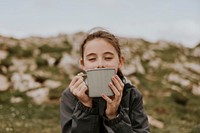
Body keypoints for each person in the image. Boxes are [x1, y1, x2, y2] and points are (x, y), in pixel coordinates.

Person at [60, 28, 150, 133]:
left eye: (108, 58)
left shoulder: (131, 95)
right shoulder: (70, 96)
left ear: (120, 62)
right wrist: (86, 107)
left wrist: (114, 117)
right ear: (83, 64)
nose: (100, 64)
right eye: (92, 59)